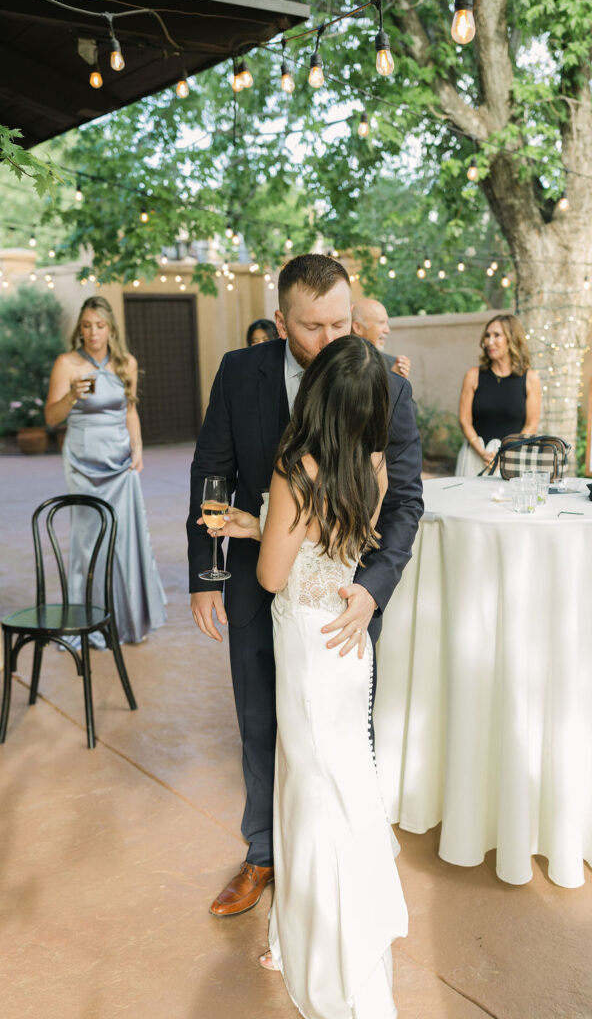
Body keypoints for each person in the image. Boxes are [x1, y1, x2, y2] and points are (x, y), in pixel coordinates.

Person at [187, 254, 423, 921]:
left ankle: (342, 864)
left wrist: (372, 589)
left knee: (339, 733)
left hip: (340, 598)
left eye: (340, 324)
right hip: (255, 584)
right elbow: (211, 472)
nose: (329, 340)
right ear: (282, 319)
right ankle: (264, 853)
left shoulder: (386, 383)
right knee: (260, 721)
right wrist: (205, 574)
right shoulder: (240, 372)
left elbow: (404, 502)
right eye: (312, 326)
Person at [212, 336, 408, 1016]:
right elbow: (332, 547)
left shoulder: (296, 469)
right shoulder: (372, 465)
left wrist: (267, 528)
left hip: (304, 645)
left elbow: (273, 575)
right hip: (346, 646)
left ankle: (319, 940)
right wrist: (261, 523)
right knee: (344, 782)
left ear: (317, 394)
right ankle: (304, 928)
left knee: (308, 792)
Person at [45, 296, 166, 645]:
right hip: (83, 464)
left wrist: (137, 448)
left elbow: (130, 410)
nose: (93, 332)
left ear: (111, 328)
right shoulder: (67, 363)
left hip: (120, 463)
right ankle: (88, 623)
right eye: (86, 325)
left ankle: (128, 621)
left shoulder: (126, 363)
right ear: (79, 329)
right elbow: (51, 418)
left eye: (99, 325)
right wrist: (70, 396)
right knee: (89, 539)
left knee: (124, 537)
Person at [456, 313, 541, 475]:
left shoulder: (530, 378)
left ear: (512, 339)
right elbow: (465, 421)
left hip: (513, 459)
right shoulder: (473, 375)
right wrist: (482, 452)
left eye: (496, 335)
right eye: (487, 336)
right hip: (475, 456)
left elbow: (531, 425)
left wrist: (507, 454)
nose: (489, 341)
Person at [351, 296, 411, 378]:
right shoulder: (339, 363)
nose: (387, 330)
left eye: (386, 323)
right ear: (358, 327)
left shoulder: (392, 363)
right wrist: (393, 380)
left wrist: (400, 381)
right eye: (381, 323)